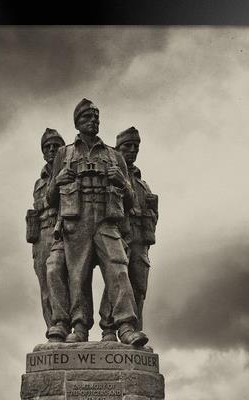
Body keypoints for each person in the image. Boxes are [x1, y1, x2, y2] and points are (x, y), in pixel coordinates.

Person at [46, 99, 148, 346]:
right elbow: (51, 200)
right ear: (77, 123)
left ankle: (125, 326)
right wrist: (58, 180)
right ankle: (79, 327)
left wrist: (122, 183)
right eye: (87, 118)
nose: (93, 122)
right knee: (77, 276)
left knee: (118, 269)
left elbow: (131, 200)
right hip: (76, 221)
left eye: (96, 118)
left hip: (106, 221)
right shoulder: (64, 154)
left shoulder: (114, 156)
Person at [99, 127, 158, 340]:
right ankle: (108, 328)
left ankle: (134, 328)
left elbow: (152, 216)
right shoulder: (111, 174)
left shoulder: (143, 184)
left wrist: (153, 209)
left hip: (140, 240)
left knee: (139, 285)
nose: (132, 151)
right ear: (118, 149)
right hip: (120, 234)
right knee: (116, 280)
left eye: (136, 147)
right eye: (127, 146)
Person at [26, 128, 70, 341]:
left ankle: (69, 326)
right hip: (42, 234)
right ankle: (54, 329)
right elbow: (40, 205)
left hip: (65, 231)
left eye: (56, 145)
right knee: (45, 285)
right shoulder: (39, 182)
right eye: (47, 146)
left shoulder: (69, 172)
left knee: (66, 280)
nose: (52, 150)